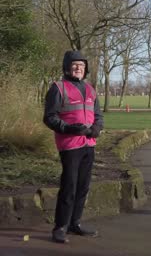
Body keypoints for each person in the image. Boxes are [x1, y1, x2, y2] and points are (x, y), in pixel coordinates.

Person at [43, 50, 103, 243]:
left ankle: (74, 223)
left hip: (89, 144)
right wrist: (69, 128)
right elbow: (49, 118)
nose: (79, 68)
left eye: (82, 66)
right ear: (67, 66)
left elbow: (98, 116)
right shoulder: (58, 88)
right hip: (69, 145)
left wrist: (96, 128)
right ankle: (60, 227)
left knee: (83, 186)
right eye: (75, 65)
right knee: (69, 186)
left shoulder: (91, 90)